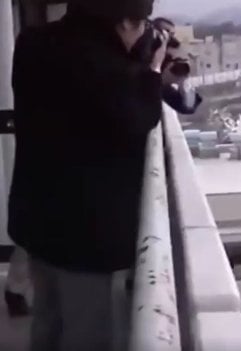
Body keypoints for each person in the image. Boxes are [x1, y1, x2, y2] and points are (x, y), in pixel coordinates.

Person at [10, 0, 167, 350]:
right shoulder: (101, 66)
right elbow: (137, 120)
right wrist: (152, 71)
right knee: (88, 334)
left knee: (48, 323)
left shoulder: (33, 42)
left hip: (36, 218)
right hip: (85, 235)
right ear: (125, 23)